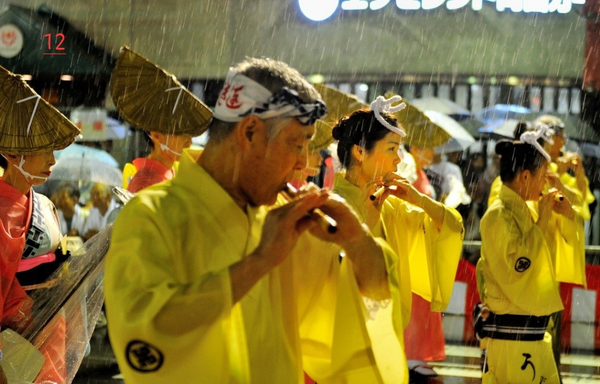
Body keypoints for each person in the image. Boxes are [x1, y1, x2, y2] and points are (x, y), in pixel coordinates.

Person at [104, 57, 405, 384]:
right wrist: (259, 262)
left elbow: (369, 298)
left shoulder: (283, 220)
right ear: (249, 132)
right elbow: (145, 337)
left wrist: (356, 238)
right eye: (297, 144)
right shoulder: (150, 215)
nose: (303, 163)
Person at [331, 98, 464, 382]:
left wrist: (419, 199)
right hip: (348, 350)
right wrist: (366, 222)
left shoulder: (390, 205)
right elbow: (332, 280)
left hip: (389, 344)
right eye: (391, 149)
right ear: (359, 152)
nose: (398, 159)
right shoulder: (331, 208)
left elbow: (449, 228)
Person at [476, 133, 585, 384]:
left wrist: (566, 214)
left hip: (534, 332)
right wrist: (543, 219)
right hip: (511, 336)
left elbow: (567, 236)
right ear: (525, 176)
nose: (545, 184)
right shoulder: (497, 216)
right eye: (542, 176)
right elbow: (519, 266)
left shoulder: (525, 209)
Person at [0, 66, 81, 383]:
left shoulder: (44, 203)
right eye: (44, 150)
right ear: (13, 153)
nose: (53, 160)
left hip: (50, 335)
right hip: (17, 347)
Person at [112, 47, 211, 193]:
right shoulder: (145, 184)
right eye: (181, 132)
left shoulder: (171, 173)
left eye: (189, 133)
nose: (189, 141)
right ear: (157, 136)